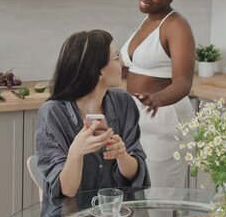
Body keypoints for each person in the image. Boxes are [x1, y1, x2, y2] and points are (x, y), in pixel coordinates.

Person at [36, 30, 150, 199]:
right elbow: (67, 190)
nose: (123, 63)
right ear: (98, 71)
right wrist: (76, 152)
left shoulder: (123, 102)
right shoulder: (52, 113)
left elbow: (136, 176)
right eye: (117, 56)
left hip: (116, 212)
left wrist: (122, 156)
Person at [120, 0, 198, 188]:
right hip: (138, 118)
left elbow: (184, 82)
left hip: (164, 117)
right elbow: (134, 68)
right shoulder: (147, 21)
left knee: (157, 203)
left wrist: (158, 99)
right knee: (138, 203)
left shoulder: (176, 26)